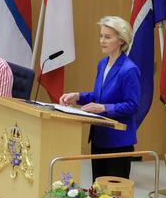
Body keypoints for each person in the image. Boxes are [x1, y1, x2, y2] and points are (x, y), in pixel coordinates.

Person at [59, 16, 141, 180]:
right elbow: (99, 96)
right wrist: (77, 97)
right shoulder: (102, 64)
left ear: (121, 40)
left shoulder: (129, 69)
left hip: (118, 141)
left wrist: (104, 108)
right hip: (99, 137)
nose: (102, 41)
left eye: (107, 37)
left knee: (114, 191)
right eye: (101, 36)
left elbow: (132, 105)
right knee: (98, 188)